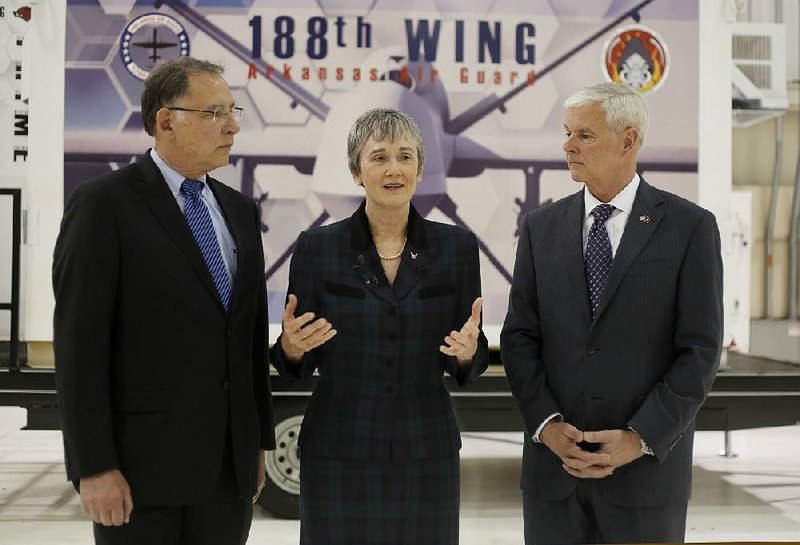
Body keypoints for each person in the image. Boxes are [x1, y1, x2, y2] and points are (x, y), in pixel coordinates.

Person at [52, 57, 275, 545]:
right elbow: (78, 349)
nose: (234, 126)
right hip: (139, 475)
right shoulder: (104, 204)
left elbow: (248, 340)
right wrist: (94, 467)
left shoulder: (239, 211)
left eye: (233, 111)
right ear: (166, 120)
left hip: (226, 475)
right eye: (216, 113)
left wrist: (255, 443)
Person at [501, 82, 723, 544]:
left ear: (628, 140)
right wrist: (546, 426)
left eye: (584, 134)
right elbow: (520, 337)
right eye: (567, 133)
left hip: (645, 481)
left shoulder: (690, 228)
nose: (567, 145)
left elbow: (699, 351)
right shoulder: (541, 229)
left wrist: (638, 438)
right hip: (553, 479)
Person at [270, 107, 489, 544]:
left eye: (405, 157)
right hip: (338, 448)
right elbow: (295, 363)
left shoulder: (456, 248)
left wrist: (468, 352)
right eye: (379, 157)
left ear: (421, 170)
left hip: (425, 449)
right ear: (356, 171)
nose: (394, 169)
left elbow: (470, 357)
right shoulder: (319, 248)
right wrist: (292, 348)